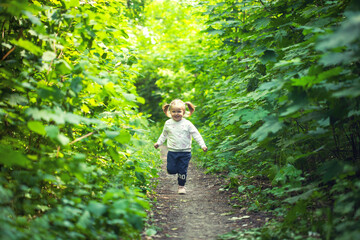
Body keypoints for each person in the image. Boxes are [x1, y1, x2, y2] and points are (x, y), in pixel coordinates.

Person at [154, 99, 208, 194]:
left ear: (183, 112)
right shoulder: (168, 123)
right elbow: (164, 135)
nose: (176, 114)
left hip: (185, 152)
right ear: (170, 112)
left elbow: (196, 134)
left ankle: (181, 187)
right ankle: (177, 172)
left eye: (179, 111)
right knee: (171, 170)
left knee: (182, 171)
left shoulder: (187, 124)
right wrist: (158, 143)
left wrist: (202, 145)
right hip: (172, 152)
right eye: (173, 111)